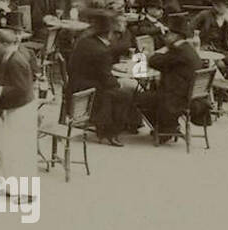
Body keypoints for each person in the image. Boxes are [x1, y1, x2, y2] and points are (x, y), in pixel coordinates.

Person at [66, 8, 136, 146]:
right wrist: (119, 83)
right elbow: (107, 80)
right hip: (87, 91)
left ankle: (106, 127)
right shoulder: (102, 51)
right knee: (124, 94)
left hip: (74, 84)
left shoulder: (85, 42)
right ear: (108, 33)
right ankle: (110, 132)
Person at [135, 18, 202, 141]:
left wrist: (158, 52)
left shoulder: (178, 51)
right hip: (190, 94)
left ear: (175, 36)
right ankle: (168, 126)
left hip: (177, 97)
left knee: (138, 98)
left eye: (168, 34)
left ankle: (165, 129)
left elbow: (154, 62)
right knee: (152, 91)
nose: (165, 37)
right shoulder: (187, 48)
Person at [0, 28, 36, 182]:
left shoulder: (15, 61)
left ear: (3, 44)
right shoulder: (12, 57)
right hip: (19, 107)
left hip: (21, 109)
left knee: (16, 148)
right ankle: (12, 183)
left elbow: (21, 89)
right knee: (12, 147)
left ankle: (23, 190)